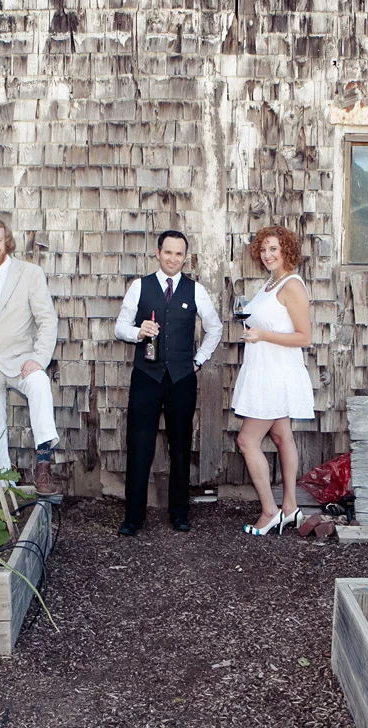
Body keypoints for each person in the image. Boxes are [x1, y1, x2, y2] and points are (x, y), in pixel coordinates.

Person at [113, 230, 222, 536]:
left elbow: (215, 329)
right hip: (146, 377)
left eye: (179, 254)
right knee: (139, 446)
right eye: (168, 252)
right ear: (157, 253)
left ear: (185, 257)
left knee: (181, 446)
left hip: (182, 379)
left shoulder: (195, 290)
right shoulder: (140, 287)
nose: (173, 259)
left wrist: (198, 361)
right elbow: (119, 327)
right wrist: (138, 331)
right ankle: (133, 518)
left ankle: (179, 514)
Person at [0, 217, 61, 496]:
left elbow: (47, 321)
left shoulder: (29, 274)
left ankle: (43, 465)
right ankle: (6, 491)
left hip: (20, 362)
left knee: (40, 383)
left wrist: (38, 360)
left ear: (7, 243)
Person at [231, 226, 315, 536]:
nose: (267, 255)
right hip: (263, 367)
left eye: (273, 249)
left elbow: (304, 337)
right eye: (264, 249)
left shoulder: (292, 285)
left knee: (247, 440)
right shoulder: (270, 283)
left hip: (275, 374)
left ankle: (269, 512)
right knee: (281, 437)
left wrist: (263, 334)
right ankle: (290, 508)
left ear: (287, 251)